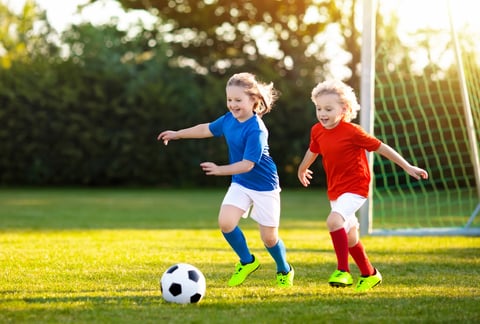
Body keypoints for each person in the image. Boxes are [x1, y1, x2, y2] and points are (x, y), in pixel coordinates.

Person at [157, 72, 294, 288]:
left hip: (264, 186)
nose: (232, 104)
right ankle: (247, 261)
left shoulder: (256, 129)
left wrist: (220, 170)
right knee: (226, 223)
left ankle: (284, 269)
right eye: (229, 99)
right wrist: (177, 134)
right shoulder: (229, 120)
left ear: (254, 100)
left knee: (269, 239)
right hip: (241, 182)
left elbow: (248, 164)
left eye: (238, 100)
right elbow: (206, 129)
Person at [297, 79, 428, 292]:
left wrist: (407, 166)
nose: (322, 113)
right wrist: (302, 168)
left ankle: (343, 272)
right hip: (336, 190)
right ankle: (370, 274)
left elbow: (381, 148)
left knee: (333, 221)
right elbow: (313, 150)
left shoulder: (353, 132)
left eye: (328, 109)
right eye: (319, 108)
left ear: (345, 109)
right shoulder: (317, 131)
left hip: (356, 187)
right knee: (349, 236)